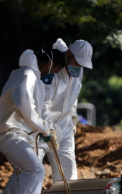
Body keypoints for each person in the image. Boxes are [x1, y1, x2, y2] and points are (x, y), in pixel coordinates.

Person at [0, 49, 64, 194]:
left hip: (13, 132)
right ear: (49, 65)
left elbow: (36, 111)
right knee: (36, 170)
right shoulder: (27, 76)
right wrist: (45, 130)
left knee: (23, 171)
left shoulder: (29, 76)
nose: (52, 75)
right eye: (54, 71)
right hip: (8, 133)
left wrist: (48, 128)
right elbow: (26, 109)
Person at [38, 38, 93, 182]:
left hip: (65, 127)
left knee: (69, 175)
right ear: (68, 54)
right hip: (42, 127)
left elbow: (73, 98)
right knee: (31, 170)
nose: (78, 67)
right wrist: (48, 128)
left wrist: (73, 120)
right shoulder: (53, 68)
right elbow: (43, 104)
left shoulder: (78, 71)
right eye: (76, 63)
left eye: (81, 65)